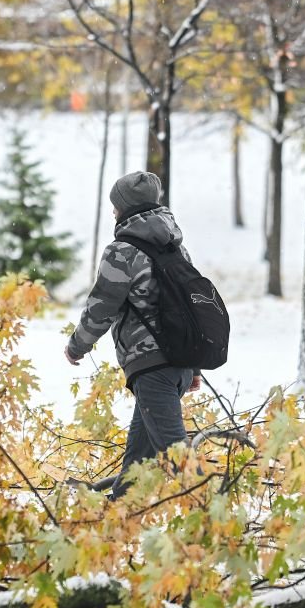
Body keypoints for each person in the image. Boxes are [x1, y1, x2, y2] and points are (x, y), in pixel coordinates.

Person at [65, 170, 200, 498]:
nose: (113, 211)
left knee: (179, 459)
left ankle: (214, 520)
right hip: (177, 363)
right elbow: (190, 309)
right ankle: (119, 511)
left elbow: (101, 307)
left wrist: (77, 346)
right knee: (139, 456)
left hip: (151, 367)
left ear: (125, 209)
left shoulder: (122, 252)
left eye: (116, 206)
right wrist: (192, 368)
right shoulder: (175, 247)